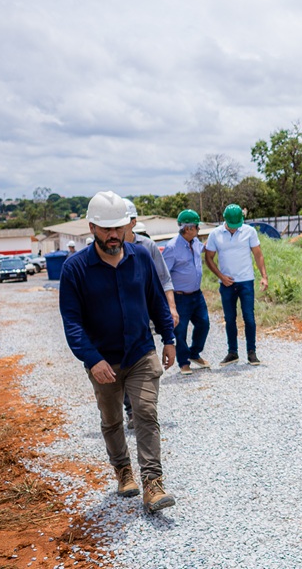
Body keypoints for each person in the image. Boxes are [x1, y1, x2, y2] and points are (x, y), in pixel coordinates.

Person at [58, 191, 177, 512]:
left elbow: (156, 301)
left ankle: (152, 483)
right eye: (106, 229)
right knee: (111, 420)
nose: (113, 235)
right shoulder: (75, 269)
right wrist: (92, 359)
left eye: (118, 228)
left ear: (127, 226)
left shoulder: (141, 257)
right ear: (92, 227)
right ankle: (123, 470)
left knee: (146, 413)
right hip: (102, 360)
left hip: (140, 352)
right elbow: (72, 323)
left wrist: (168, 338)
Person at [122, 200, 178, 429]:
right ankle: (131, 410)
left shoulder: (147, 248)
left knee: (144, 361)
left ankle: (143, 409)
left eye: (122, 222)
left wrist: (171, 308)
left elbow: (164, 279)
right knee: (123, 364)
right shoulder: (106, 251)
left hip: (145, 317)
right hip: (120, 321)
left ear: (133, 222)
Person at [204, 204, 268, 366]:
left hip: (246, 281)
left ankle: (251, 352)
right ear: (225, 220)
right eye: (231, 225)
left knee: (249, 317)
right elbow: (208, 258)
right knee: (230, 319)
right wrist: (221, 276)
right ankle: (232, 352)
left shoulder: (249, 232)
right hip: (226, 283)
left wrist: (264, 276)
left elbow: (258, 255)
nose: (234, 228)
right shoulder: (215, 234)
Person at [162, 210, 211, 375]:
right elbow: (164, 275)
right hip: (180, 297)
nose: (199, 229)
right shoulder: (172, 248)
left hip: (197, 295)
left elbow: (204, 249)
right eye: (197, 226)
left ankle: (194, 353)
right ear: (189, 228)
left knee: (204, 324)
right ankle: (183, 362)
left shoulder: (195, 242)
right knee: (180, 330)